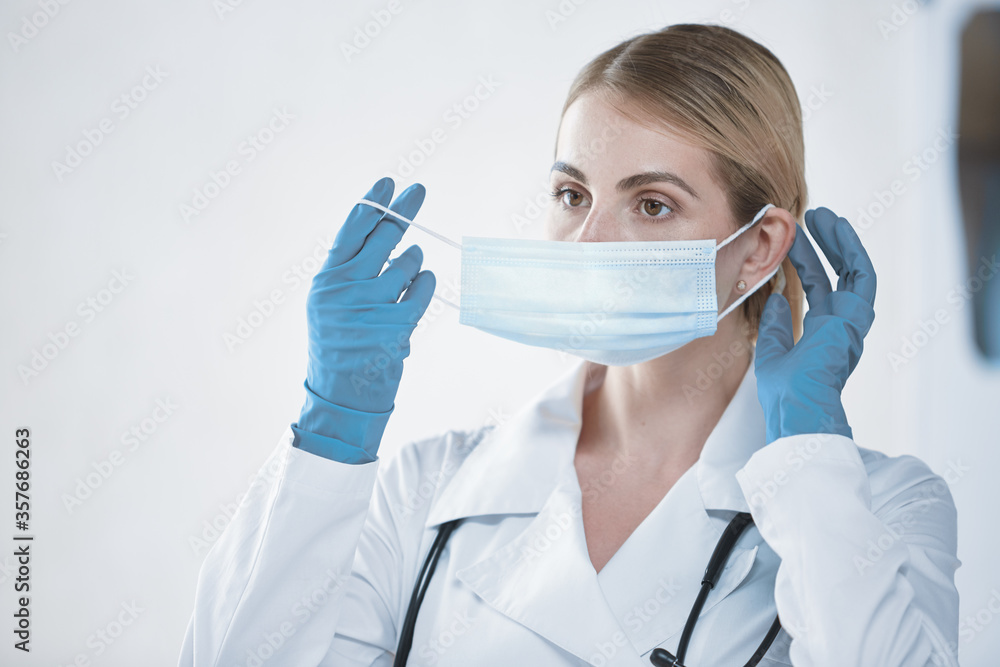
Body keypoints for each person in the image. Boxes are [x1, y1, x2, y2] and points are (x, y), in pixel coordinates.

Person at [178, 24, 961, 667]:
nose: (588, 241)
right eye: (571, 194)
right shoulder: (427, 490)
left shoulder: (882, 507)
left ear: (758, 250)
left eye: (652, 204)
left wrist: (807, 457)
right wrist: (331, 429)